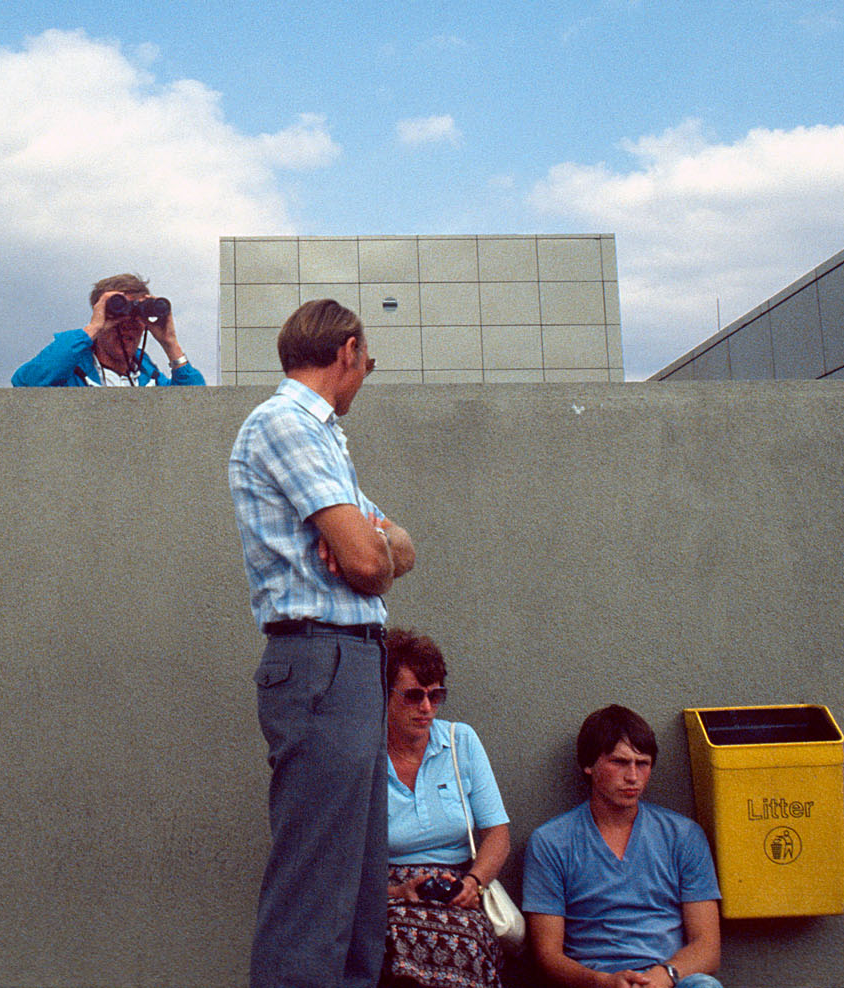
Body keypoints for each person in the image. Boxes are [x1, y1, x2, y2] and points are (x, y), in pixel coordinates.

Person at [231, 298, 418, 988]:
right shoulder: (287, 424)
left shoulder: (322, 438)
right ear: (345, 351)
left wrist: (375, 546)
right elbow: (370, 565)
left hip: (347, 659)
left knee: (358, 894)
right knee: (316, 900)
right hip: (321, 658)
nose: (367, 373)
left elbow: (396, 547)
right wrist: (372, 550)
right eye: (367, 360)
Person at [521, 706, 724, 988]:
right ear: (589, 765)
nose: (633, 776)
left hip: (669, 979)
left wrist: (663, 976)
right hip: (595, 980)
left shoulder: (683, 835)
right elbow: (547, 955)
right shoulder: (551, 842)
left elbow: (707, 946)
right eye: (619, 762)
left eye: (642, 763)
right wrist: (603, 982)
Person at [382, 628, 511, 988]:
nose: (426, 708)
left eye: (435, 695)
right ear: (384, 693)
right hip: (389, 890)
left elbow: (498, 835)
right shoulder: (366, 757)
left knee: (469, 942)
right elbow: (340, 859)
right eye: (413, 696)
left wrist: (475, 882)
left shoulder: (460, 742)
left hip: (456, 889)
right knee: (387, 946)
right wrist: (396, 893)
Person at [10, 272, 205, 386]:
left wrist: (170, 344)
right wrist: (93, 328)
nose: (127, 327)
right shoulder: (69, 373)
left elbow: (197, 409)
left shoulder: (149, 377)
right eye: (118, 318)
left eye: (135, 319)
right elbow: (26, 382)